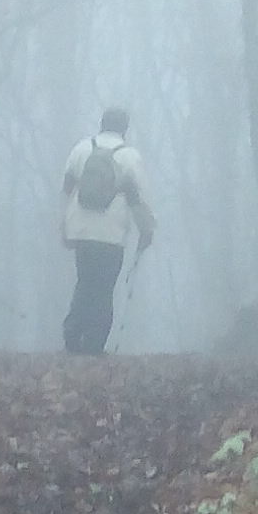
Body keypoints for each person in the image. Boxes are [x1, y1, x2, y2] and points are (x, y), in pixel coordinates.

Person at [59, 103, 157, 353]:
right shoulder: (129, 156)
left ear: (101, 123)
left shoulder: (81, 148)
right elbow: (139, 198)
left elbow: (67, 189)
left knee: (84, 282)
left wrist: (65, 225)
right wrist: (147, 230)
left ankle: (72, 337)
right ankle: (93, 345)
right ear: (124, 128)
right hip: (111, 234)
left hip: (81, 230)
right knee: (103, 288)